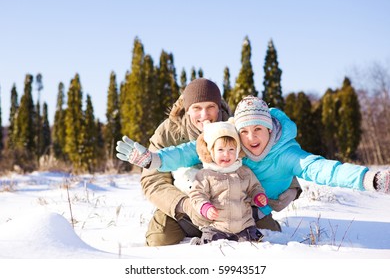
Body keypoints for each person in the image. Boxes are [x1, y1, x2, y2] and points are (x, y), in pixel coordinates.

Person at [117, 95, 390, 231]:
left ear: (270, 129)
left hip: (256, 210)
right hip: (218, 207)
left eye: (258, 129)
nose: (250, 138)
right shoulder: (233, 138)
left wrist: (370, 179)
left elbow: (322, 169)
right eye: (244, 131)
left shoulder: (287, 154)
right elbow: (188, 151)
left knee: (272, 236)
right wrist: (151, 159)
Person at [116, 79, 301, 246]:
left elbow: (266, 152)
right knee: (160, 239)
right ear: (187, 110)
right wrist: (185, 205)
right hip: (185, 210)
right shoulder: (167, 132)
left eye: (210, 106)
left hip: (234, 206)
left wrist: (292, 185)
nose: (204, 114)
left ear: (219, 106)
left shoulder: (234, 126)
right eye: (197, 108)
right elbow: (152, 181)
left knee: (271, 236)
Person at [189, 120, 267, 244]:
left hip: (244, 225)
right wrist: (205, 207)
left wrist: (258, 196)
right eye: (220, 150)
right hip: (217, 226)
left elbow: (255, 187)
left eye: (231, 149)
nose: (226, 154)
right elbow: (197, 194)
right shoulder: (206, 174)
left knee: (256, 243)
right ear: (211, 151)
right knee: (211, 244)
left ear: (237, 151)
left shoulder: (244, 172)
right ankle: (199, 244)